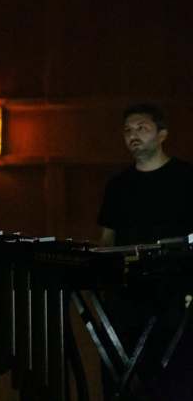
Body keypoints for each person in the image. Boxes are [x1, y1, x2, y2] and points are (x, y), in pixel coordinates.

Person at [98, 103, 193, 400]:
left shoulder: (186, 178)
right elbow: (107, 238)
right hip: (128, 296)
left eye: (142, 128)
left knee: (175, 376)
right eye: (128, 130)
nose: (133, 135)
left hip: (177, 294)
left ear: (162, 134)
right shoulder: (118, 186)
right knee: (120, 376)